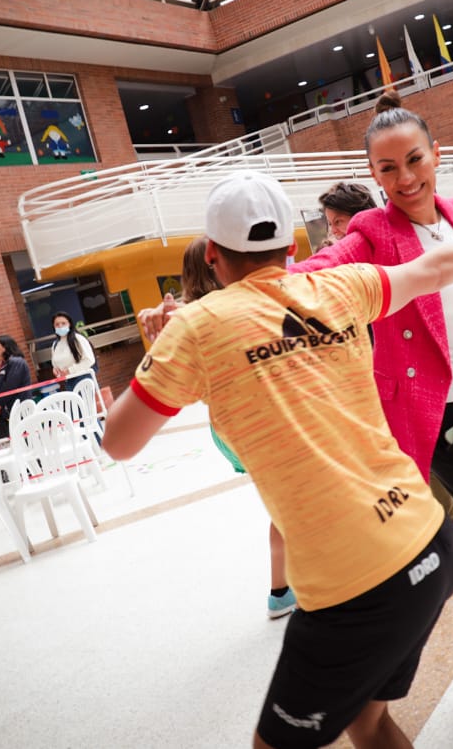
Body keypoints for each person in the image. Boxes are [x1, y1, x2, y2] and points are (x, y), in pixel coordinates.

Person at [104, 169, 453, 746]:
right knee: (368, 723)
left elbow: (119, 442)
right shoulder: (343, 287)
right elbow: (433, 270)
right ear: (292, 246)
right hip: (431, 545)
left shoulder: (195, 329)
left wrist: (161, 346)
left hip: (354, 583)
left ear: (212, 254)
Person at [178, 235, 296, 620]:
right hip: (257, 421)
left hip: (227, 426)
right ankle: (285, 589)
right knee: (288, 505)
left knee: (283, 503)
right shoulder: (225, 313)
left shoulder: (191, 318)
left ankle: (283, 589)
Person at [49, 311, 97, 391]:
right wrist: (55, 370)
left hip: (83, 380)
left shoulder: (78, 339)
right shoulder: (55, 344)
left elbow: (89, 360)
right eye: (57, 324)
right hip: (68, 382)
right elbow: (55, 364)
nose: (60, 326)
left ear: (69, 324)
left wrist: (69, 370)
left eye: (63, 323)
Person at [0, 335, 32, 421]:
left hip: (20, 406)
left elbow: (10, 385)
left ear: (4, 347)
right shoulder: (5, 364)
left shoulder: (16, 362)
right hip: (10, 406)